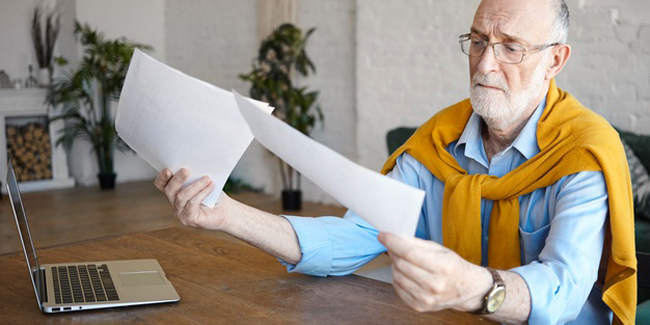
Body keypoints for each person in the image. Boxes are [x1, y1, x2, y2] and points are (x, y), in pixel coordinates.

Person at [154, 0, 637, 323]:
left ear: (555, 61)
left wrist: (473, 288)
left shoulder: (584, 151)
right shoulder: (436, 143)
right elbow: (357, 236)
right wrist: (227, 213)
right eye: (478, 42)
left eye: (511, 47)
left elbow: (564, 289)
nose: (486, 65)